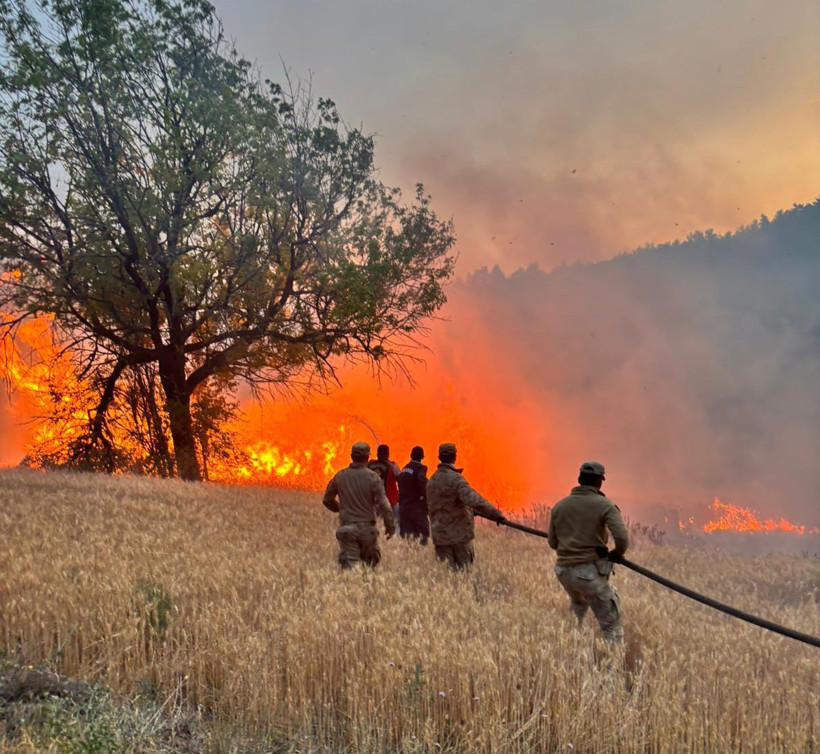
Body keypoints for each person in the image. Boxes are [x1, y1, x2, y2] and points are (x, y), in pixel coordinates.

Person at [547, 461, 629, 643]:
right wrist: (617, 552)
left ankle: (568, 652)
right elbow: (622, 538)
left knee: (578, 608)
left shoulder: (560, 506)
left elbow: (553, 543)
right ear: (599, 482)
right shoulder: (604, 505)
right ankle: (613, 669)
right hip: (589, 574)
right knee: (611, 626)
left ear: (579, 480)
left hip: (563, 572)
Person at [426, 442, 506, 570]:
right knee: (465, 577)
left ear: (439, 457)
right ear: (454, 457)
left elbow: (439, 505)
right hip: (459, 538)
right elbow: (475, 500)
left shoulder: (431, 481)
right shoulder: (456, 480)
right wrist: (496, 514)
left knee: (446, 579)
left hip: (440, 538)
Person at [322, 441, 396, 569]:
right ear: (367, 457)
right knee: (370, 569)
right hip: (368, 530)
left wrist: (341, 509)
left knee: (349, 571)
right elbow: (385, 505)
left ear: (352, 456)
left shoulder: (340, 476)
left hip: (347, 529)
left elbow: (327, 500)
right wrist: (390, 527)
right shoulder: (373, 477)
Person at [397, 445, 429, 544]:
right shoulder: (421, 468)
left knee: (407, 540)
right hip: (416, 509)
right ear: (422, 457)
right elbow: (422, 481)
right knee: (422, 538)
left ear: (411, 455)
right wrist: (427, 495)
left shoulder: (404, 469)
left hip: (403, 509)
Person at [368, 444, 401, 528]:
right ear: (388, 454)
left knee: (375, 526)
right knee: (396, 524)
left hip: (373, 502)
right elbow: (401, 480)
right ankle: (394, 540)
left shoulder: (370, 466)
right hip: (390, 502)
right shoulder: (392, 466)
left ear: (377, 454)